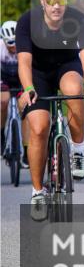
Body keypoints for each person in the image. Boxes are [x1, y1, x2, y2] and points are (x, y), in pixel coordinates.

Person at [15, 0, 84, 219]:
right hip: (37, 75)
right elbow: (24, 62)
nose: (56, 6)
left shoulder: (79, 20)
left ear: (66, 1)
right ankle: (37, 191)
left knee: (74, 89)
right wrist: (28, 88)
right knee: (40, 127)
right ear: (42, 0)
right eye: (51, 0)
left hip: (66, 67)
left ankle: (78, 151)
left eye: (61, 0)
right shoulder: (27, 22)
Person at [1, 20, 27, 168]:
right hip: (3, 80)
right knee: (2, 102)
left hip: (20, 80)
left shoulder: (24, 47)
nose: (14, 45)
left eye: (16, 41)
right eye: (10, 42)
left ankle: (26, 150)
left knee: (25, 109)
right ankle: (1, 135)